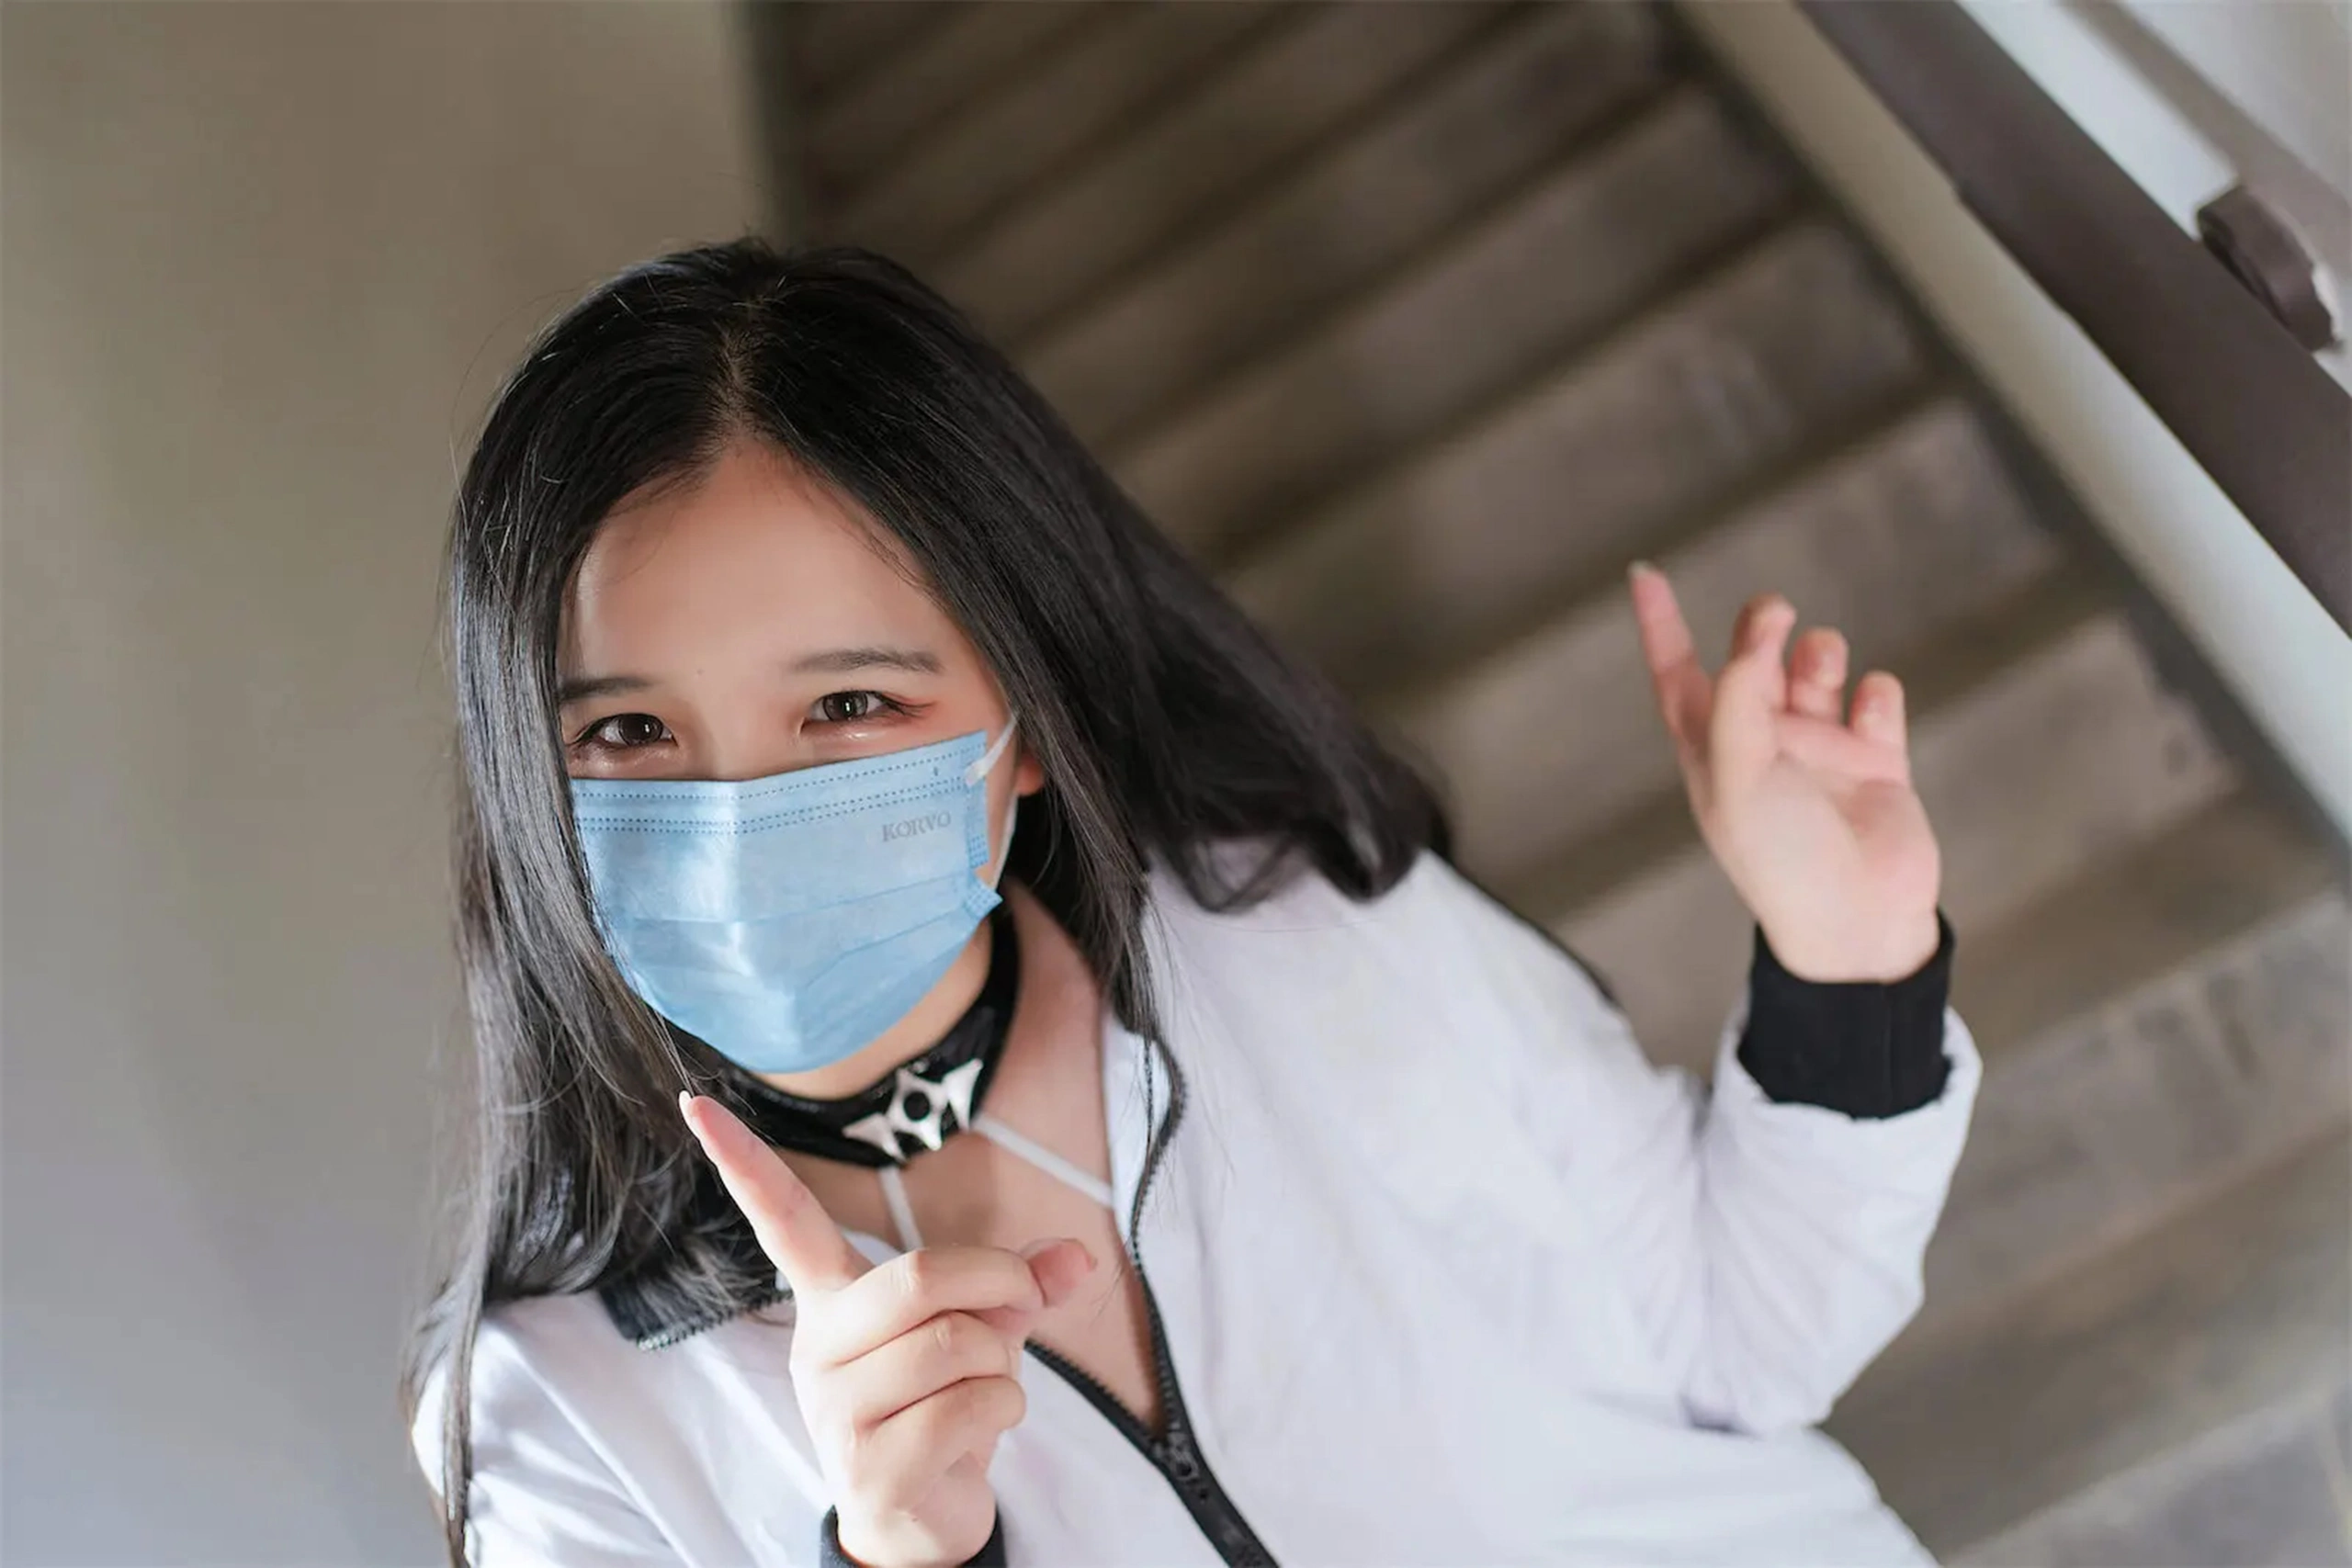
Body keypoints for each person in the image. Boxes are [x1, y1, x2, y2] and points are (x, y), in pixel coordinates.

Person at [401, 236, 1976, 1568]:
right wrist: (894, 1556)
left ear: (1024, 714)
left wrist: (1851, 958)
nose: (743, 814)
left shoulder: (1294, 921)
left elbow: (1748, 1334)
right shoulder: (555, 1423)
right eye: (629, 732)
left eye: (851, 706)